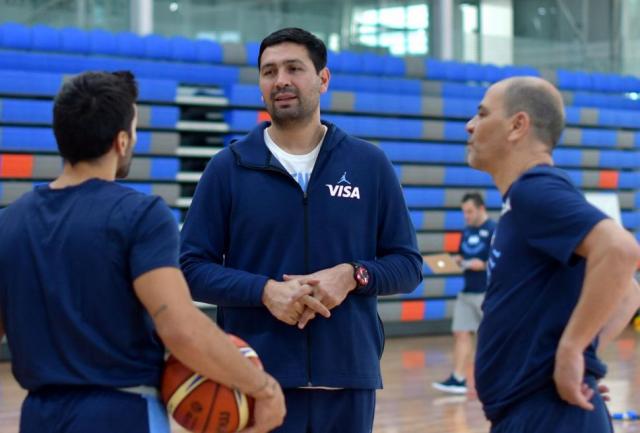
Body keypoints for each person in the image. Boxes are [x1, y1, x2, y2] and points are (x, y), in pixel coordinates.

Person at [0, 71, 285, 433]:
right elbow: (179, 328)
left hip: (39, 414)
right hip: (119, 411)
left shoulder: (10, 222)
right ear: (122, 140)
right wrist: (262, 386)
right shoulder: (140, 215)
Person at [180, 27, 423, 433]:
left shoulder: (369, 164)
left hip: (347, 380)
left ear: (323, 79)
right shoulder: (228, 168)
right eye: (269, 72)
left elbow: (408, 265)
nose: (281, 81)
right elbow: (190, 269)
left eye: (294, 68)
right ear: (260, 85)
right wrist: (265, 292)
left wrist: (353, 275)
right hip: (256, 380)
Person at [465, 76, 640, 433]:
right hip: (537, 412)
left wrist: (574, 351)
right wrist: (582, 362)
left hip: (545, 415)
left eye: (482, 114)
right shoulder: (524, 201)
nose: (470, 125)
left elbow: (620, 251)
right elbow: (630, 293)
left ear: (518, 125)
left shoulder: (535, 191)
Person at [433, 192, 495, 394]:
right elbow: (463, 253)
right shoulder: (467, 231)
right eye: (464, 212)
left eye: (469, 212)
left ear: (481, 208)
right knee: (460, 332)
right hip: (467, 290)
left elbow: (502, 261)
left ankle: (500, 379)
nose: (466, 216)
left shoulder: (494, 230)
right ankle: (459, 378)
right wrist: (457, 260)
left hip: (487, 292)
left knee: (492, 337)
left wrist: (483, 264)